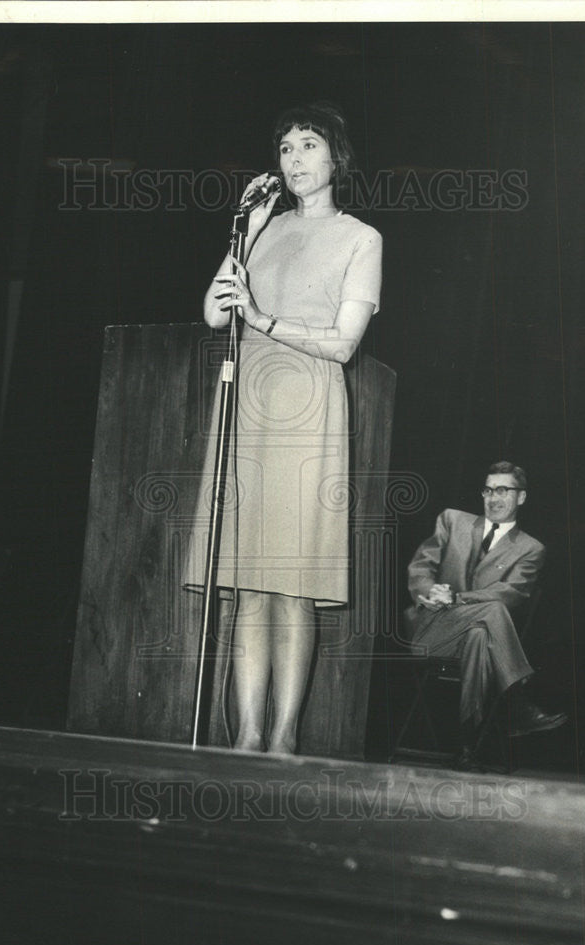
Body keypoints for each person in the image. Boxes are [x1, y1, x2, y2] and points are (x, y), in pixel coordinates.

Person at [186, 102, 382, 754]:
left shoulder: (360, 238)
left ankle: (283, 740)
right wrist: (247, 227)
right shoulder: (262, 229)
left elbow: (344, 343)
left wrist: (264, 321)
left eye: (308, 145)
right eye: (285, 148)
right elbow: (216, 314)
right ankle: (245, 738)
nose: (294, 159)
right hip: (248, 409)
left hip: (309, 411)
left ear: (335, 158)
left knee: (292, 584)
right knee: (246, 583)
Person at [405, 461, 566, 767]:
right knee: (491, 613)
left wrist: (458, 597)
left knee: (481, 632)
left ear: (521, 497)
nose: (494, 497)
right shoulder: (453, 520)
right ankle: (514, 702)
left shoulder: (531, 549)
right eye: (489, 490)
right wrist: (430, 591)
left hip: (476, 638)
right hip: (432, 630)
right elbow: (421, 567)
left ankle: (467, 746)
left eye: (503, 490)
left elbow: (511, 594)